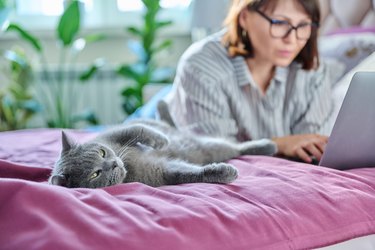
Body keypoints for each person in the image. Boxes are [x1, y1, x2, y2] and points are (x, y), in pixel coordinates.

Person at [162, 0, 337, 164]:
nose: (291, 40)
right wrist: (279, 145)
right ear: (244, 17)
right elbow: (212, 154)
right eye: (279, 23)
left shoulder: (313, 70)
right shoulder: (201, 66)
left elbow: (312, 146)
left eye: (304, 25)